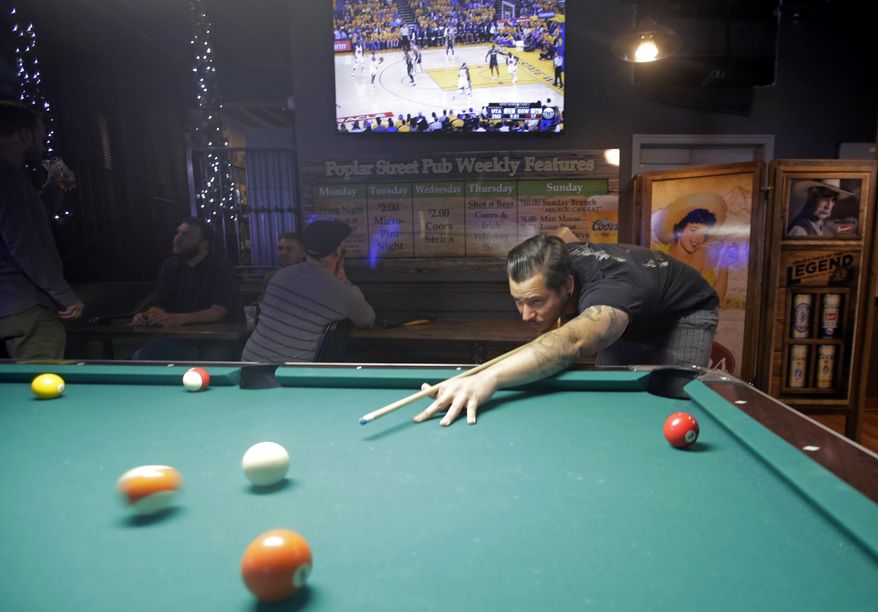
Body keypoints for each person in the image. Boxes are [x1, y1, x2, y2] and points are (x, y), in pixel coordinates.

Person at [413, 233, 718, 426]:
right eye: (518, 302)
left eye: (535, 301)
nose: (526, 315)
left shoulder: (610, 292)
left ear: (568, 286)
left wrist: (488, 376)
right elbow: (561, 236)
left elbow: (571, 343)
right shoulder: (555, 259)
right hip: (633, 311)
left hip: (684, 312)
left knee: (674, 396)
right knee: (611, 404)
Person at [0, 100, 84, 359]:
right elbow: (25, 246)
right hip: (27, 307)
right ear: (25, 135)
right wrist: (66, 295)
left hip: (8, 307)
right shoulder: (8, 176)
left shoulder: (11, 178)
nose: (44, 143)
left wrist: (55, 187)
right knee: (40, 385)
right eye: (41, 136)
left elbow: (29, 224)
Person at [242, 219, 375, 362]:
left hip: (249, 362)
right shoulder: (344, 292)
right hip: (286, 375)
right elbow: (367, 320)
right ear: (337, 254)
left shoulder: (280, 275)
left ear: (306, 252)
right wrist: (344, 282)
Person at [131, 217, 244, 360]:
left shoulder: (222, 267)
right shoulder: (170, 266)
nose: (178, 238)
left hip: (219, 340)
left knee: (214, 359)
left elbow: (219, 311)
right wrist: (147, 316)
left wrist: (179, 319)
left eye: (186, 235)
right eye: (178, 233)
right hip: (181, 339)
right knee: (140, 357)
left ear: (204, 244)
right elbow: (160, 306)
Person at [656, 192, 731, 302]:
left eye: (704, 234)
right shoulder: (658, 255)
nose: (698, 238)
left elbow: (717, 300)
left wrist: (724, 265)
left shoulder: (703, 258)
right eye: (693, 230)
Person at [787, 179, 855, 236]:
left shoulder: (819, 224)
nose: (828, 206)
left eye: (833, 200)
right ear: (811, 196)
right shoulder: (800, 230)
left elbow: (837, 228)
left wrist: (850, 228)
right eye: (825, 197)